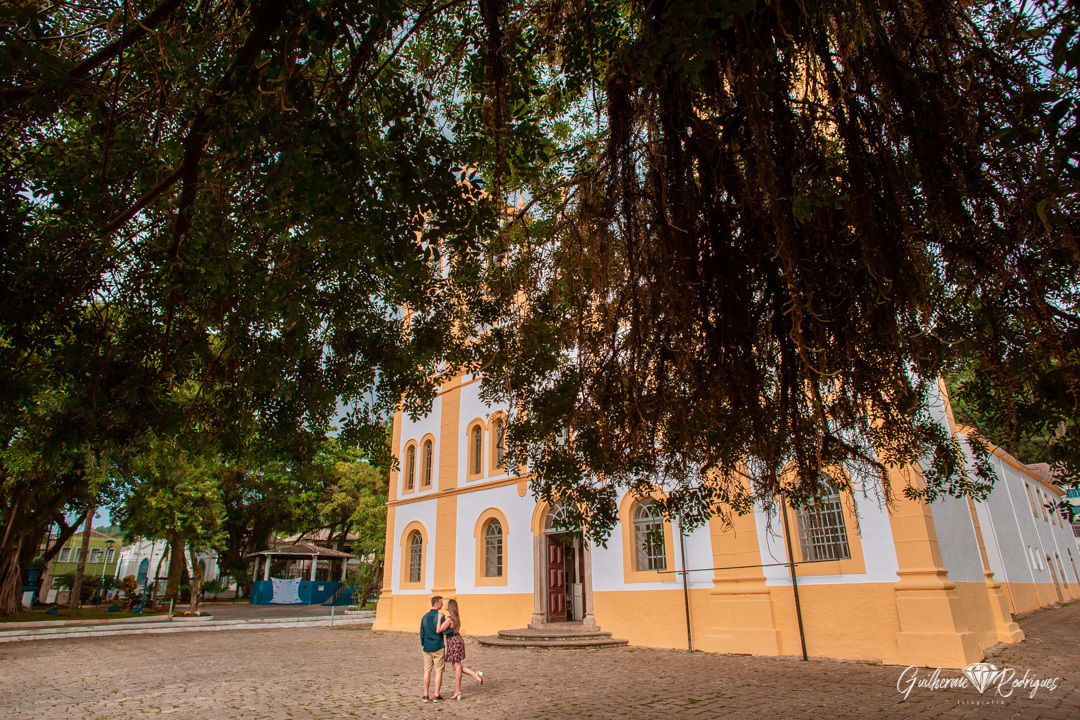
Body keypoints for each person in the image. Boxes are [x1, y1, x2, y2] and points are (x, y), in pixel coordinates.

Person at [436, 598, 485, 700]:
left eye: (447, 604)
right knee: (455, 666)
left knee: (457, 666)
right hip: (457, 640)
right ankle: (475, 674)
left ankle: (458, 691)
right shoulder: (456, 617)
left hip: (454, 642)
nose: (445, 604)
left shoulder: (449, 619)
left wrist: (439, 618)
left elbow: (439, 629)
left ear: (450, 606)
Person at [420, 595, 446, 702]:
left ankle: (425, 694)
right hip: (437, 646)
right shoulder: (440, 616)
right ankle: (436, 694)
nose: (442, 604)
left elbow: (422, 632)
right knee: (438, 671)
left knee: (427, 670)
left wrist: (423, 643)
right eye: (441, 602)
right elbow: (443, 630)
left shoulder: (424, 617)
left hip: (427, 647)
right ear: (436, 604)